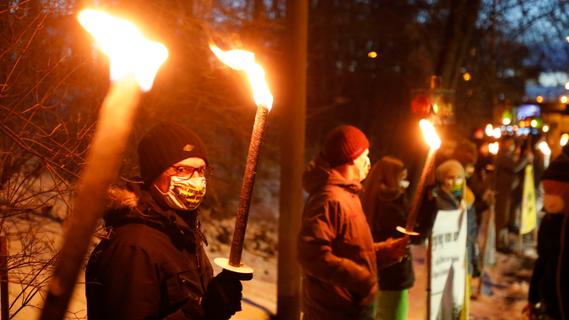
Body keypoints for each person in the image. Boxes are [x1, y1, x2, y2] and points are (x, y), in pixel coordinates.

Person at [85, 122, 243, 320]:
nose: (195, 180)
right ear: (154, 174)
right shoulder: (134, 246)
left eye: (201, 170)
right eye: (182, 170)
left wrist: (215, 300)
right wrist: (203, 310)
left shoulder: (181, 233)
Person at [297, 125, 406, 320]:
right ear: (352, 159)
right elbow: (312, 254)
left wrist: (382, 252)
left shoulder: (347, 195)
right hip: (332, 314)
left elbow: (348, 250)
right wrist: (361, 279)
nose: (368, 162)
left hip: (351, 312)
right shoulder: (329, 199)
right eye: (365, 155)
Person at [361, 156, 413, 320]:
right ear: (392, 179)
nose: (404, 184)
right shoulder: (391, 207)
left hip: (379, 276)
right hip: (393, 277)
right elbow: (413, 235)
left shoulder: (370, 200)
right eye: (401, 179)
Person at [525, 149, 569, 320]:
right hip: (550, 306)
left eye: (554, 190)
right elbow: (542, 260)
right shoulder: (549, 222)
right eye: (546, 191)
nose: (549, 197)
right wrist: (533, 298)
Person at [494, 137, 532, 251]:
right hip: (502, 190)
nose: (511, 145)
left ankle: (503, 240)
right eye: (509, 143)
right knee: (501, 217)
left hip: (508, 190)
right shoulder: (502, 155)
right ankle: (499, 243)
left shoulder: (508, 155)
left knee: (505, 216)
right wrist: (525, 158)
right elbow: (515, 167)